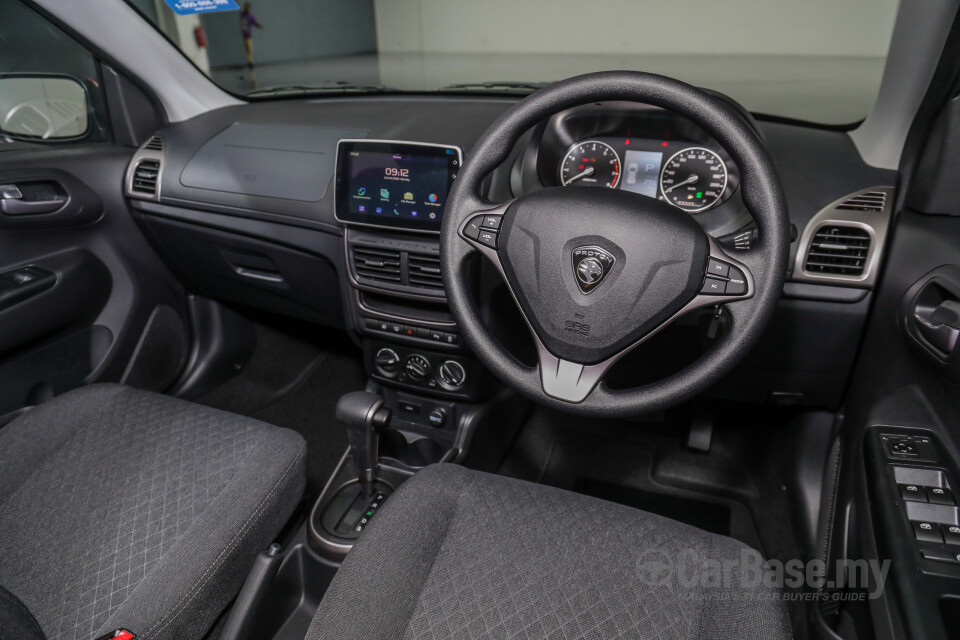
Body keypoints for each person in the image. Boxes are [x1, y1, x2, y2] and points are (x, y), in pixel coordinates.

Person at [240, 3, 263, 68]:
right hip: (241, 35)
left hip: (248, 36)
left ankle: (250, 62)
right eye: (246, 7)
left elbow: (255, 23)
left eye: (248, 8)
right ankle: (249, 62)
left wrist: (259, 26)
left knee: (249, 49)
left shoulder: (250, 16)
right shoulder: (241, 15)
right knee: (246, 49)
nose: (247, 9)